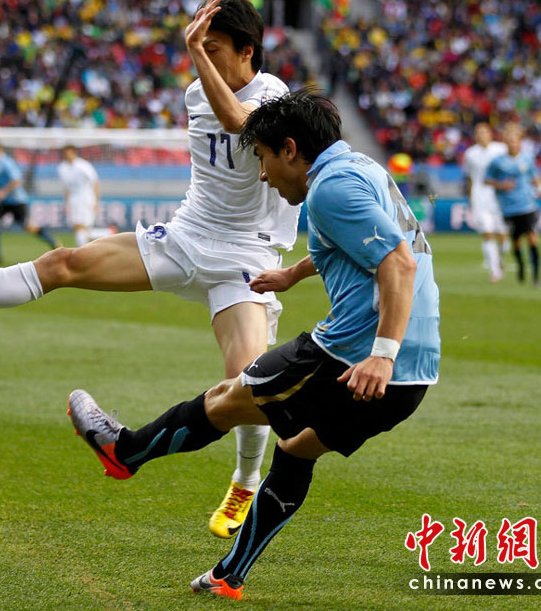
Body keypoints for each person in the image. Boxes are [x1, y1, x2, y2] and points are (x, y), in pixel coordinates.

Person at [0, 0, 300, 538]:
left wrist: (193, 49)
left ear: (247, 51)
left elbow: (236, 118)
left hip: (244, 257)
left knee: (245, 383)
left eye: (215, 47)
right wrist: (202, 55)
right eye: (203, 45)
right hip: (185, 236)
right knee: (64, 263)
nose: (204, 55)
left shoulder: (273, 94)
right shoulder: (196, 91)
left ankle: (244, 482)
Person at [68, 89, 441, 599]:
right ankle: (228, 577)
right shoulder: (362, 168)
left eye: (263, 157)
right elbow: (362, 240)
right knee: (295, 449)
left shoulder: (330, 189)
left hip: (353, 357)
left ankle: (124, 451)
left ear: (290, 149)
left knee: (228, 398)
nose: (262, 174)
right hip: (414, 376)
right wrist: (292, 274)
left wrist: (381, 353)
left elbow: (398, 262)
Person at [484, 123, 541, 287]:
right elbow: (487, 180)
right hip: (509, 208)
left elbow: (535, 176)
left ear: (520, 141)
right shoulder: (497, 162)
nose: (513, 143)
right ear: (506, 142)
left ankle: (536, 277)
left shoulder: (527, 158)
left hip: (528, 205)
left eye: (515, 140)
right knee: (517, 241)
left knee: (532, 238)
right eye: (510, 141)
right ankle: (521, 266)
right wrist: (501, 185)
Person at [0, 142, 59, 263]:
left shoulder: (7, 163)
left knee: (29, 227)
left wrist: (3, 192)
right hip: (4, 202)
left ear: (0, 151)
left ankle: (53, 242)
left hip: (17, 200)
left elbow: (17, 181)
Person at [462, 123, 509, 282]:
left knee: (502, 234)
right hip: (480, 197)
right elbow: (469, 178)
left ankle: (500, 259)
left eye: (484, 132)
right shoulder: (470, 154)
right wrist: (471, 199)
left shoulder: (500, 149)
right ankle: (495, 270)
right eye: (478, 132)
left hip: (498, 196)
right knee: (487, 233)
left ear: (490, 134)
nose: (481, 135)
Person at [57, 145, 115, 247]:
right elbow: (66, 187)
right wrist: (66, 203)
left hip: (86, 198)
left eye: (70, 153)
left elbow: (95, 182)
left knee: (82, 226)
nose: (68, 155)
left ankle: (82, 248)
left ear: (75, 153)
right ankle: (106, 233)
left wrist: (96, 201)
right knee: (77, 227)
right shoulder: (62, 168)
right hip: (73, 200)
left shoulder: (83, 165)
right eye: (66, 153)